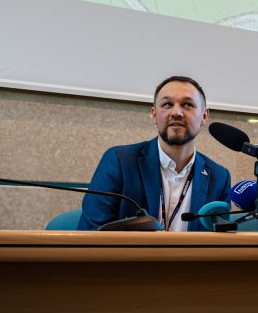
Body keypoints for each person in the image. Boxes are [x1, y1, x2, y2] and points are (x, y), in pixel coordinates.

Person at [77, 75, 231, 231]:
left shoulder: (219, 177)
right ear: (154, 114)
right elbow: (90, 234)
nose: (176, 112)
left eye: (187, 104)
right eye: (167, 104)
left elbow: (220, 242)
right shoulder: (120, 162)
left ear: (204, 116)